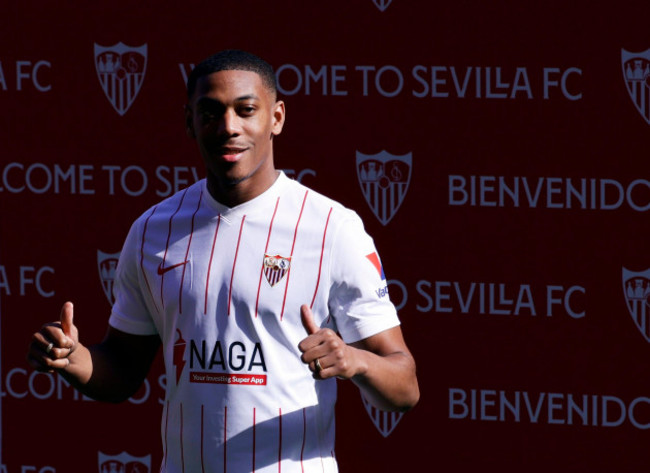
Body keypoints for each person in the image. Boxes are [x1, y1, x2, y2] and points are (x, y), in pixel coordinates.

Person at [27, 49, 419, 472]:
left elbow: (405, 387)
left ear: (277, 118)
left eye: (246, 110)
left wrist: (353, 359)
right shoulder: (152, 230)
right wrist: (73, 359)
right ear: (189, 122)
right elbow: (122, 369)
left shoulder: (332, 228)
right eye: (210, 112)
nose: (228, 127)